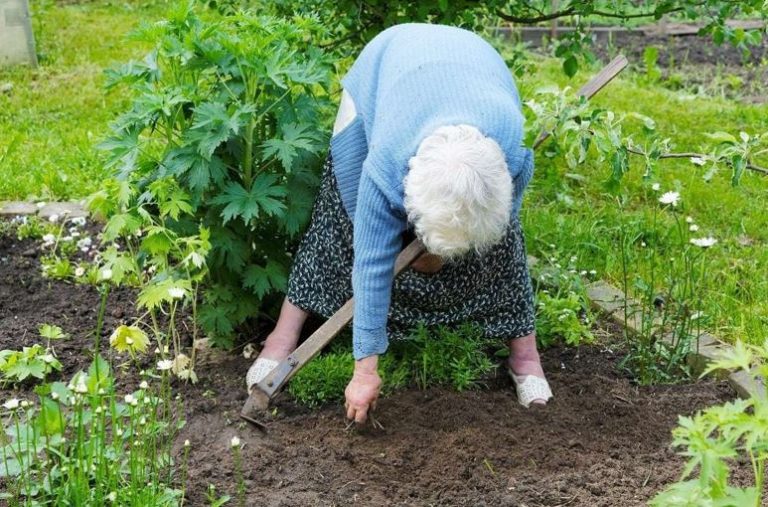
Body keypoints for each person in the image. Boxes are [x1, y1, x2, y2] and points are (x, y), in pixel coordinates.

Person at [246, 23, 552, 423]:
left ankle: (525, 357)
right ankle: (281, 338)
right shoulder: (385, 162)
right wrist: (365, 371)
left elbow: (505, 210)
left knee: (503, 243)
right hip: (385, 71)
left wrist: (441, 252)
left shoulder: (508, 149)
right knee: (339, 219)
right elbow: (372, 262)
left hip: (471, 70)